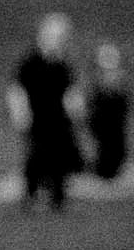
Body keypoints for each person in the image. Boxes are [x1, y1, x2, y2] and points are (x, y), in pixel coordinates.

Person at [6, 12, 85, 211]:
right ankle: (30, 196)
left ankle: (58, 197)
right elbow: (17, 89)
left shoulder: (62, 64)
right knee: (36, 157)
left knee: (60, 158)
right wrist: (21, 114)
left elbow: (70, 90)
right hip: (38, 119)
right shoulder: (31, 62)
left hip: (59, 120)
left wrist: (76, 111)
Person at [87, 42, 131, 180]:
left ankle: (108, 173)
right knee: (106, 151)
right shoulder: (98, 80)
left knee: (116, 151)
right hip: (103, 125)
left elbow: (123, 104)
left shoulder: (119, 79)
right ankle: (103, 172)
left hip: (114, 125)